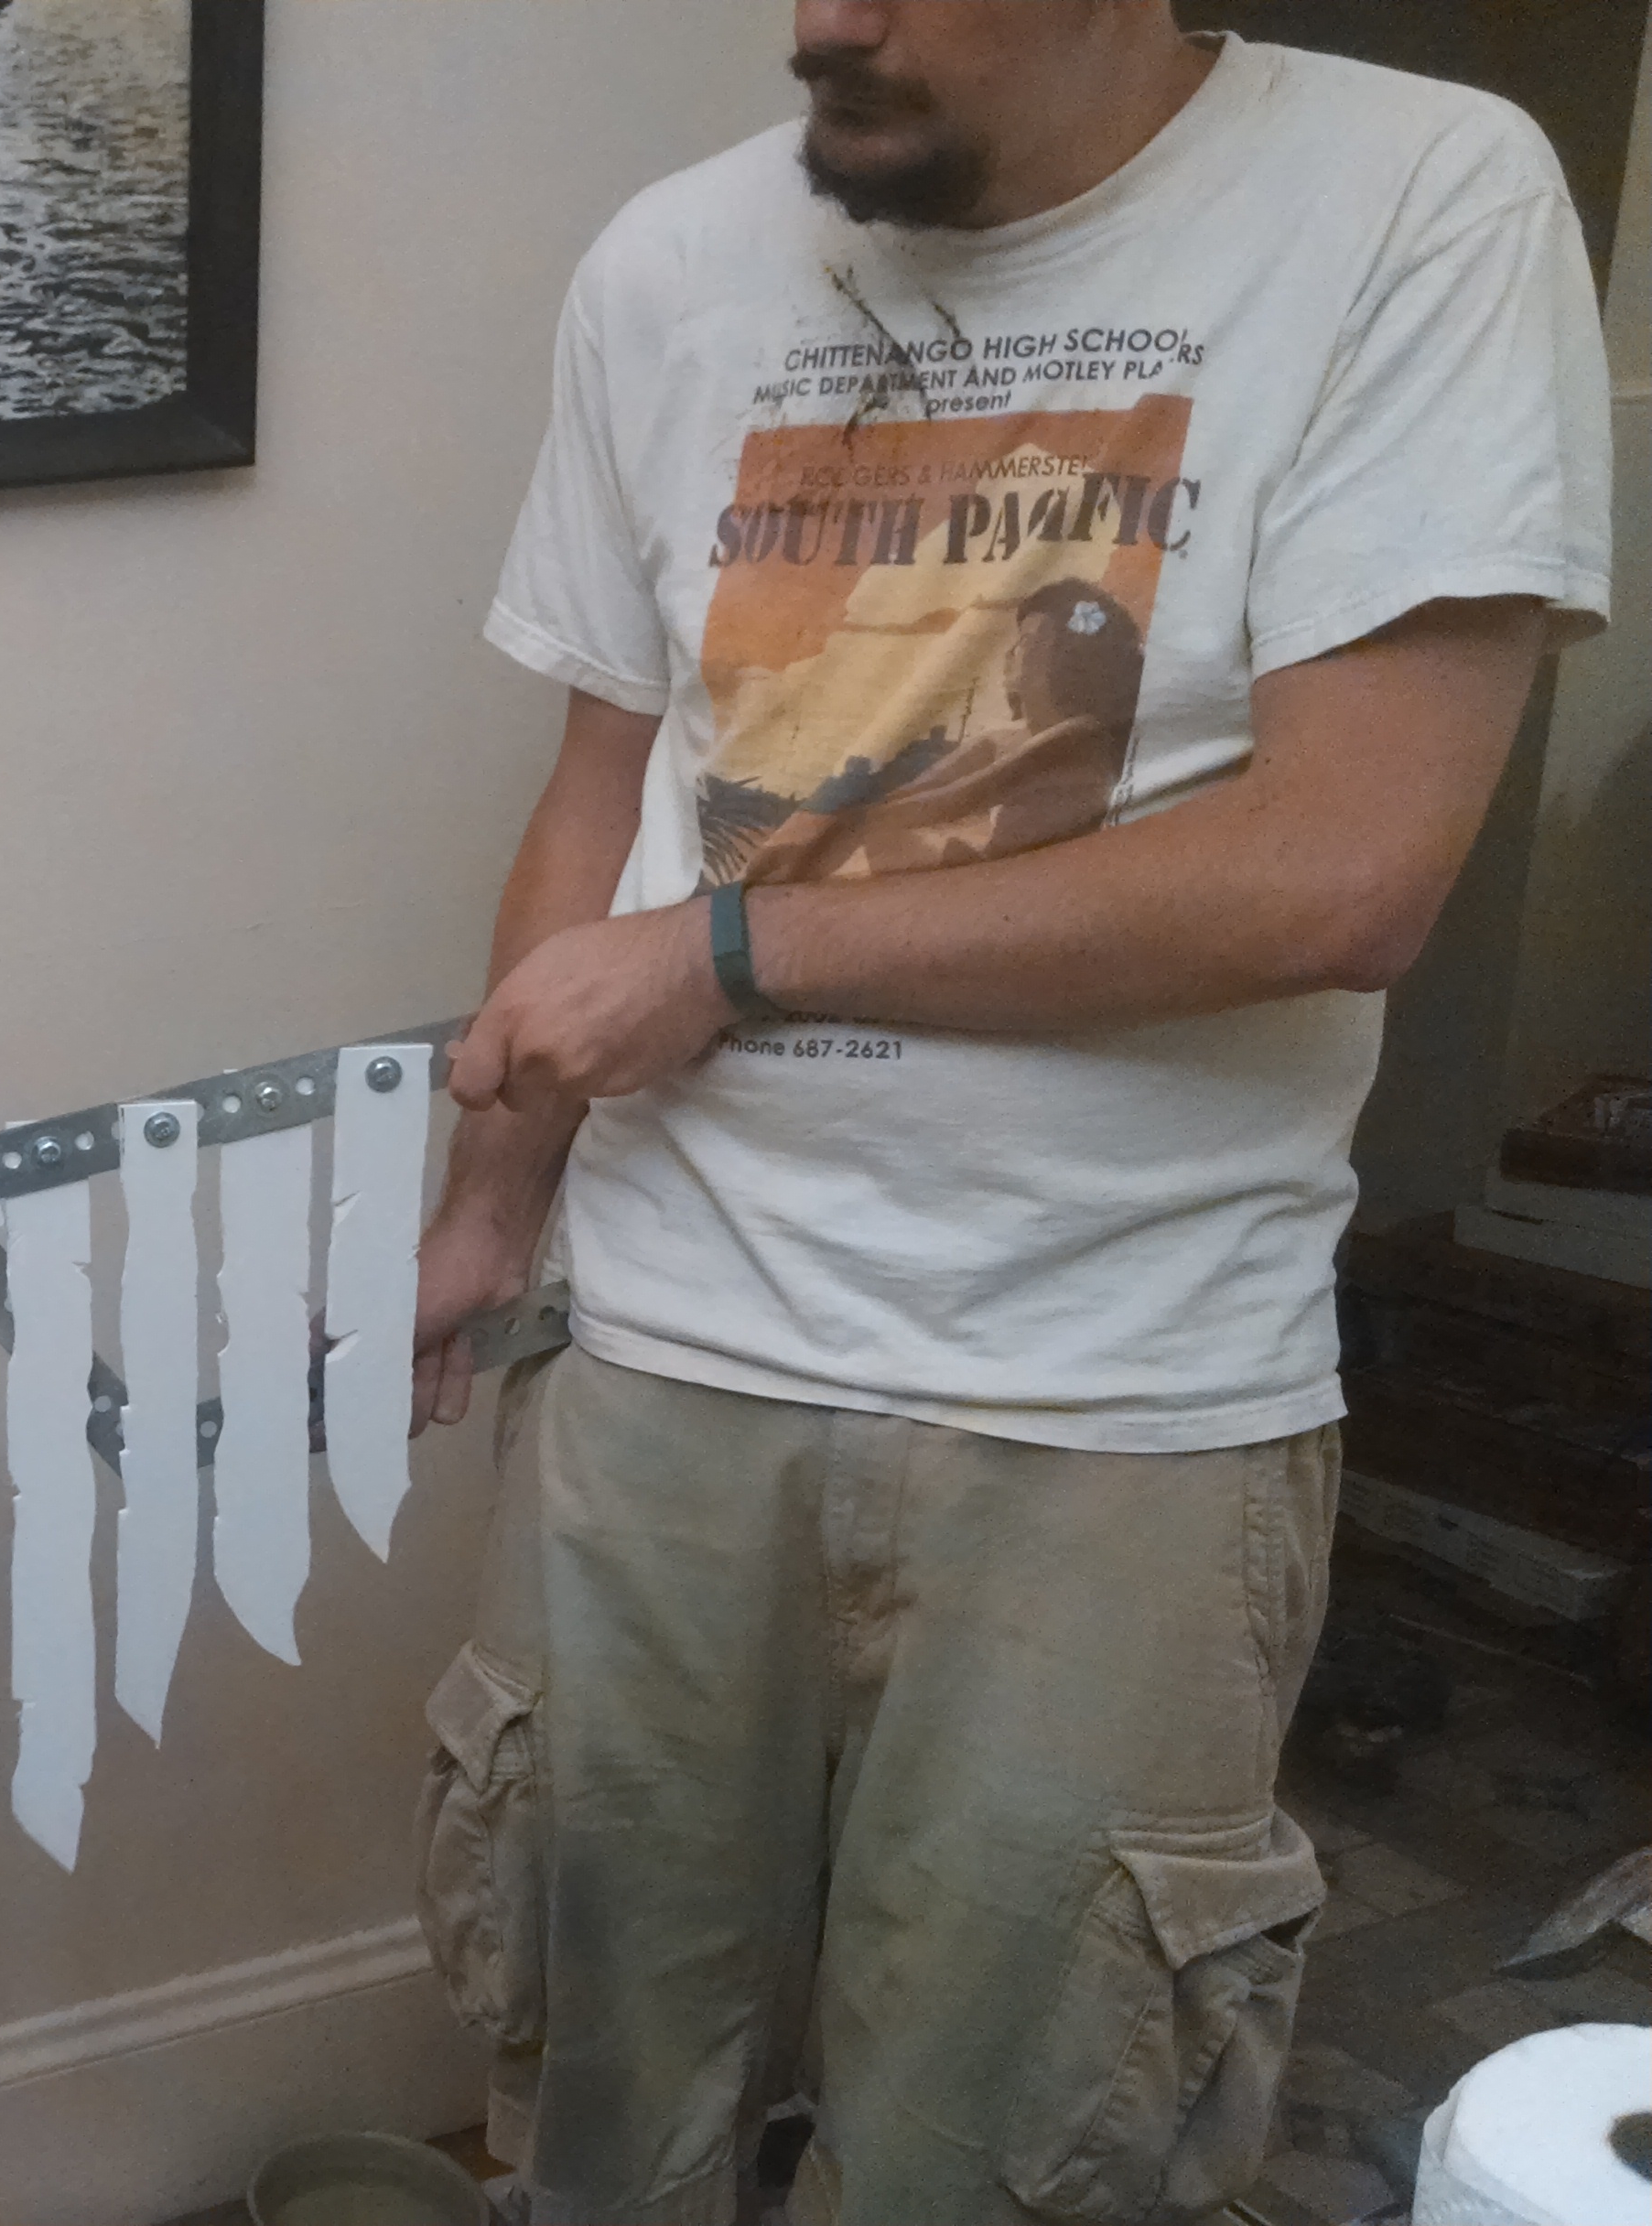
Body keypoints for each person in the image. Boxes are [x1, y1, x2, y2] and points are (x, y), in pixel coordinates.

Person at [408, 5, 1607, 2221]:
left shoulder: (1416, 198)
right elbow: (603, 779)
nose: (826, 22)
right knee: (594, 2101)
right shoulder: (670, 264)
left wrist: (731, 953)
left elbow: (1345, 871)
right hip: (664, 1348)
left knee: (1000, 2143)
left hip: (1114, 1395)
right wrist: (495, 1192)